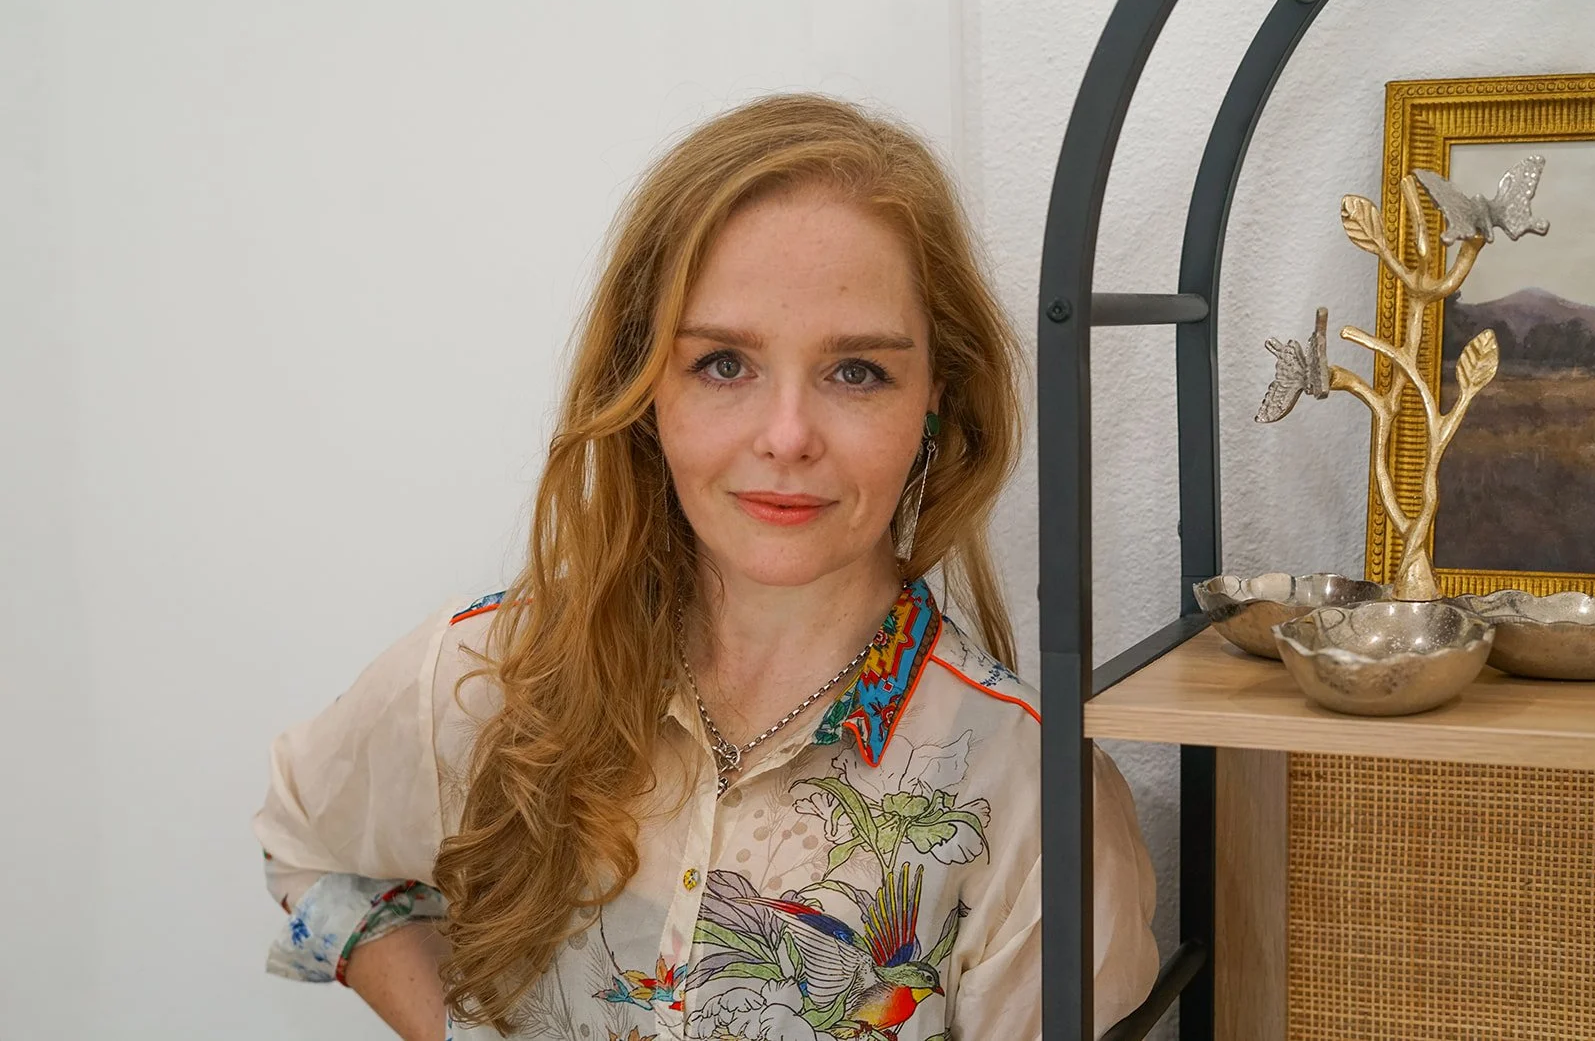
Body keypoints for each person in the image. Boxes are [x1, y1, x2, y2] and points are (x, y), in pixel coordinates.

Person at [253, 92, 1159, 1041]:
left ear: (937, 395)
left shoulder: (1035, 803)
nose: (787, 437)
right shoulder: (493, 672)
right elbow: (305, 840)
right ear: (645, 388)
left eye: (857, 371)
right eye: (724, 363)